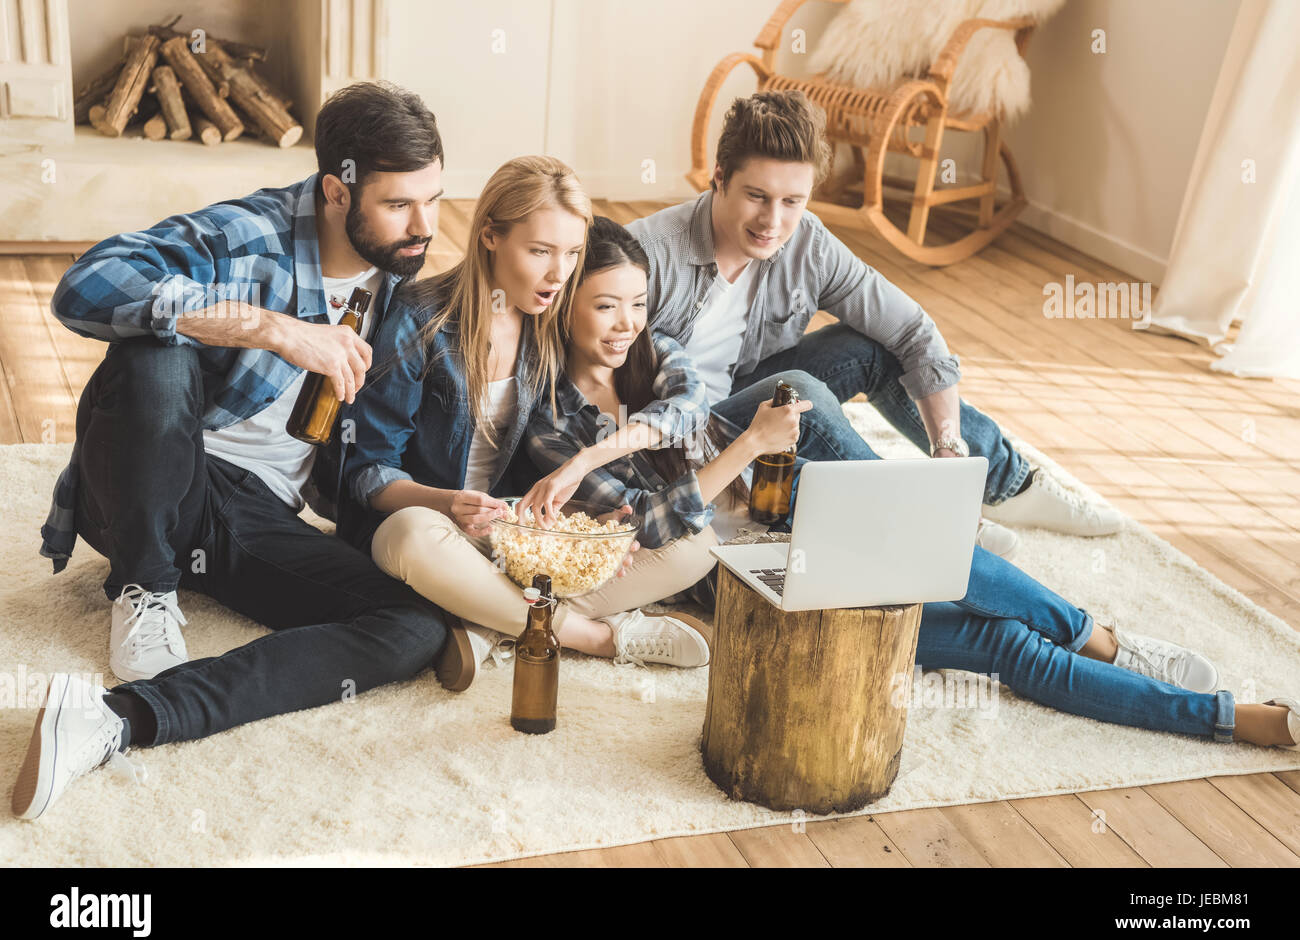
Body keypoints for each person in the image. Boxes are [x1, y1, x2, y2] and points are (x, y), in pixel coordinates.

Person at [523, 216, 1300, 752]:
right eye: (605, 306)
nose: (627, 323)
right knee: (1001, 643)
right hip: (749, 588)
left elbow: (693, 403)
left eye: (637, 302)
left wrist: (611, 455)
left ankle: (1112, 641)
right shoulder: (551, 423)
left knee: (946, 556)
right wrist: (734, 447)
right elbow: (655, 528)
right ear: (564, 311)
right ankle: (1224, 718)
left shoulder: (659, 358)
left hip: (787, 509)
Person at [15, 82, 456, 821]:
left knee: (414, 626)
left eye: (435, 199)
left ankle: (118, 716)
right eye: (400, 205)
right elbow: (84, 285)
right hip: (151, 477)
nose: (424, 226)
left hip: (248, 516)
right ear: (336, 192)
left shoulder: (404, 290)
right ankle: (145, 586)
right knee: (157, 351)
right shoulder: (251, 233)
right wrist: (267, 326)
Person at [624, 89, 1125, 561]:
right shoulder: (649, 254)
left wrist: (947, 447)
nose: (772, 221)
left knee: (872, 347)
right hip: (682, 438)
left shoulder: (807, 246)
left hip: (739, 394)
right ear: (719, 177)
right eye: (757, 196)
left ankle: (1006, 485)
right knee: (798, 391)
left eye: (792, 201)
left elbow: (912, 331)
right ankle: (921, 522)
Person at [339, 156, 715, 693]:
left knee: (696, 544)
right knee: (409, 536)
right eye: (540, 251)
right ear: (490, 235)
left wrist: (588, 515)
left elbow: (678, 405)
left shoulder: (551, 325)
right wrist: (447, 503)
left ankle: (486, 620)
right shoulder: (421, 320)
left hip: (510, 536)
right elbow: (365, 473)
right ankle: (593, 635)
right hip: (433, 525)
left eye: (571, 253)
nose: (558, 274)